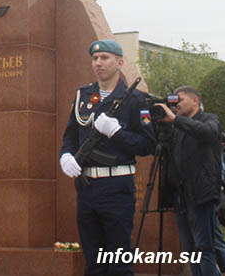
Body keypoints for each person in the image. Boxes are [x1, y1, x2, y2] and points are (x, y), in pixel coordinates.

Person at [59, 39, 155, 275]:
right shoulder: (83, 96)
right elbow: (71, 134)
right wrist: (66, 156)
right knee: (93, 260)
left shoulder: (135, 99)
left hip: (116, 187)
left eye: (105, 58)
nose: (98, 63)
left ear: (119, 62)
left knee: (118, 261)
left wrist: (117, 133)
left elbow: (147, 144)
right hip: (87, 186)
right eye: (95, 58)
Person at [156, 86, 222, 276]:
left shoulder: (209, 119)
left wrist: (176, 120)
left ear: (195, 100)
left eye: (180, 100)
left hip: (201, 194)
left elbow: (208, 133)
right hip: (181, 194)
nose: (176, 104)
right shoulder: (176, 127)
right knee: (190, 252)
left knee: (204, 248)